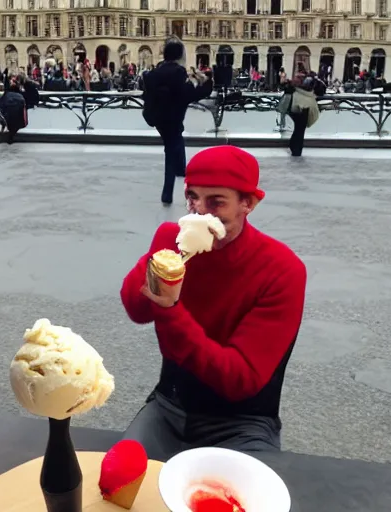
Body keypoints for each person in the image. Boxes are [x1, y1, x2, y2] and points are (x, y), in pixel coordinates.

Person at [120, 146, 307, 462]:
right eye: (192, 197)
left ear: (248, 203)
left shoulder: (281, 270)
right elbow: (135, 309)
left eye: (216, 202)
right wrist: (165, 255)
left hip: (242, 421)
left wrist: (170, 309)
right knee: (119, 488)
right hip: (171, 402)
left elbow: (241, 379)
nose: (199, 212)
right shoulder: (172, 238)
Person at [142, 39, 213, 205]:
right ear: (179, 55)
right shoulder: (178, 72)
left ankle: (182, 170)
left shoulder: (156, 71)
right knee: (171, 149)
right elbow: (187, 94)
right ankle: (167, 193)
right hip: (173, 116)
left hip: (157, 117)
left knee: (175, 142)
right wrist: (205, 84)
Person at [0, 75, 27, 144]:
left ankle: (10, 136)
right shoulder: (20, 96)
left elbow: (1, 105)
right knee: (14, 127)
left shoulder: (6, 95)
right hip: (17, 116)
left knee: (9, 125)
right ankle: (11, 136)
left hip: (7, 115)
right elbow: (23, 107)